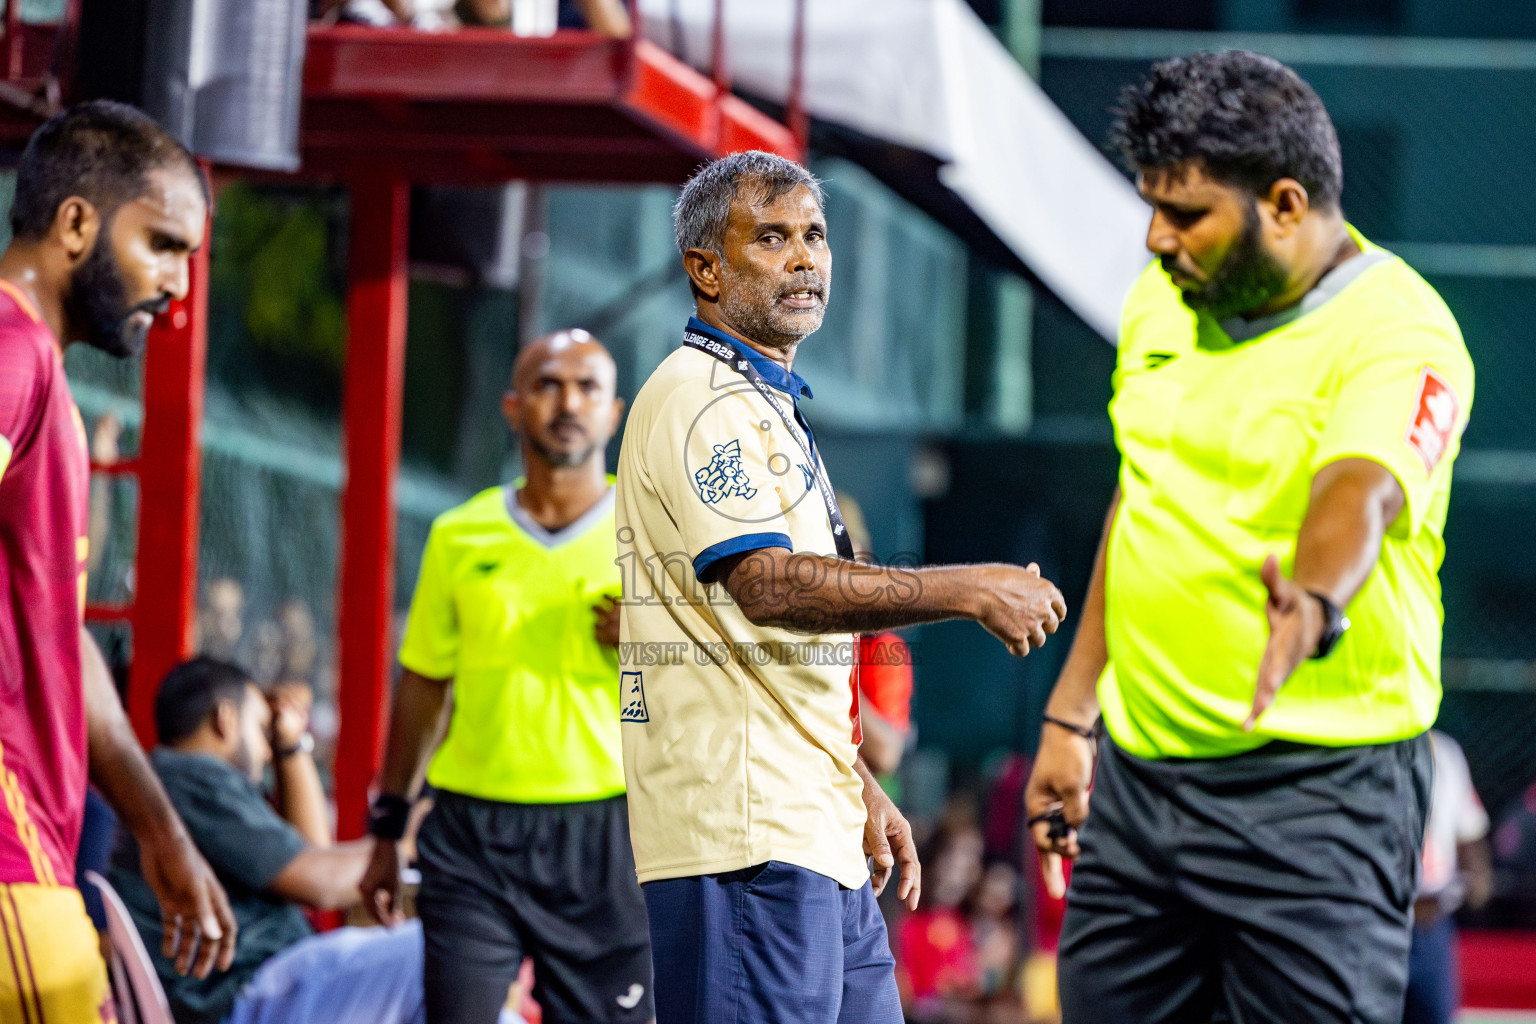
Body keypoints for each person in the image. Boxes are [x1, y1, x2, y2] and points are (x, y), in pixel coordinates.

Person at [1022, 51, 1474, 1024]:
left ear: (1282, 202)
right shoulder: (1166, 301)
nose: (1155, 239)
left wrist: (1312, 602)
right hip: (1140, 793)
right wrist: (1071, 713)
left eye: (1185, 215)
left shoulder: (1404, 334)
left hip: (1319, 799)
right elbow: (1141, 500)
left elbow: (1362, 492)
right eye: (1150, 206)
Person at [616, 150, 1067, 1024]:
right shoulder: (703, 398)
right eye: (772, 238)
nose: (805, 259)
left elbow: (762, 655)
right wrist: (965, 588)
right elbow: (769, 589)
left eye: (815, 236)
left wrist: (854, 780)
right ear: (705, 268)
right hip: (745, 839)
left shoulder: (762, 401)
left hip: (811, 827)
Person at [0, 100, 237, 1020]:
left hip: (42, 863)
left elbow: (67, 648)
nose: (178, 284)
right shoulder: (12, 354)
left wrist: (159, 828)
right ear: (75, 223)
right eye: (165, 244)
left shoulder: (39, 378)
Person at [361, 329, 652, 1024]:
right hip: (471, 834)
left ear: (615, 415)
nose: (568, 401)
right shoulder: (459, 535)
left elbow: (717, 681)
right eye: (549, 384)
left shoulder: (656, 535)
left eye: (588, 387)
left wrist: (657, 639)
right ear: (513, 407)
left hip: (610, 829)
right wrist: (387, 826)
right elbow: (423, 685)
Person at [110, 657, 472, 1024]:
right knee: (447, 948)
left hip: (261, 990)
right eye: (262, 729)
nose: (266, 752)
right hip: (241, 994)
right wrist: (410, 836)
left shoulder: (177, 781)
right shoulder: (192, 778)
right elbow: (321, 885)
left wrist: (291, 744)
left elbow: (314, 855)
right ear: (225, 720)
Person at [1405, 730, 1492, 1024]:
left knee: (1435, 1015)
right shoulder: (1366, 748)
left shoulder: (1445, 750)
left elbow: (1469, 828)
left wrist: (1477, 876)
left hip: (1433, 922)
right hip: (1382, 917)